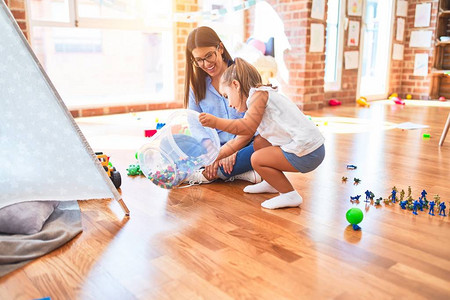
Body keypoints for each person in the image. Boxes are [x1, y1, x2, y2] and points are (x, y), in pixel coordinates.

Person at [199, 58, 325, 209]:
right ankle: (273, 183)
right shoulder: (258, 100)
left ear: (236, 85)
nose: (229, 104)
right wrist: (213, 158)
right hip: (309, 149)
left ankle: (289, 195)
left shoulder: (259, 96)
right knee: (260, 142)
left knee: (257, 159)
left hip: (308, 152)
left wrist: (216, 122)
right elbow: (238, 140)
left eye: (227, 96)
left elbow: (245, 127)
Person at [184, 26, 261, 185]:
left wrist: (231, 153)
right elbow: (195, 125)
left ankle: (207, 175)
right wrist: (212, 152)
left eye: (209, 56)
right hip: (213, 148)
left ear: (219, 48)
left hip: (245, 144)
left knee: (264, 145)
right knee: (172, 146)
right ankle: (238, 172)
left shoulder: (242, 74)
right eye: (199, 60)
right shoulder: (197, 87)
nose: (206, 64)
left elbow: (252, 124)